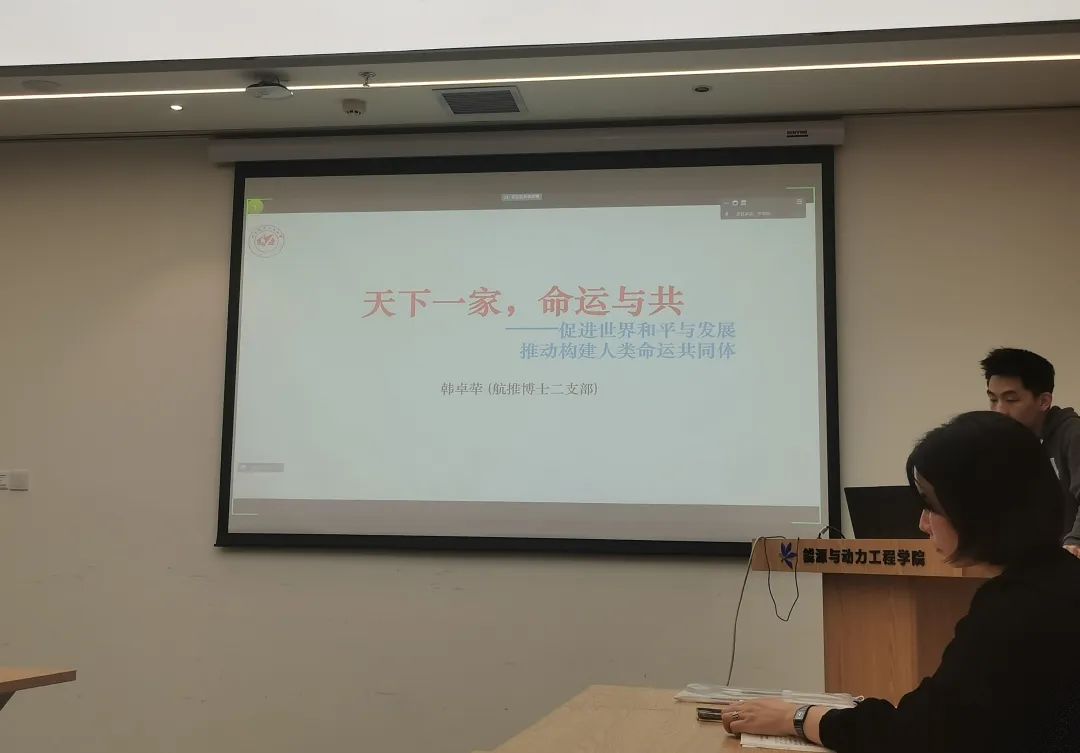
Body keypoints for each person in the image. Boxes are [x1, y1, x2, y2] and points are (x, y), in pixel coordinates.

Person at [721, 412, 1080, 753]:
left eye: (932, 506)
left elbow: (918, 736)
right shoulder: (1058, 580)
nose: (923, 524)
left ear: (981, 509)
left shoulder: (1013, 610)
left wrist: (797, 717)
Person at [980, 347, 1080, 556]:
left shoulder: (1072, 434)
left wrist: (1075, 542)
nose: (999, 410)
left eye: (1011, 400)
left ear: (1044, 401)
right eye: (993, 399)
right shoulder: (1009, 442)